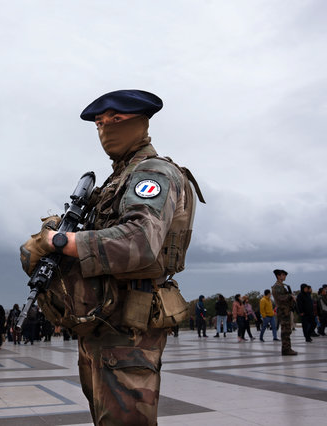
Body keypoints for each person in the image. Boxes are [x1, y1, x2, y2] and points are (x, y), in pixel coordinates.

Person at [19, 89, 204, 425]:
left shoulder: (153, 174)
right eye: (100, 124)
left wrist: (60, 241)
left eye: (116, 120)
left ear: (141, 122)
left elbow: (140, 241)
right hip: (103, 323)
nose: (105, 129)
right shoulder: (118, 178)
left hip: (128, 331)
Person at [271, 269, 297, 355]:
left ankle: (287, 348)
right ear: (278, 276)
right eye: (283, 275)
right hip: (283, 310)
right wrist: (290, 296)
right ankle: (286, 349)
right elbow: (281, 298)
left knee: (287, 330)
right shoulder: (277, 286)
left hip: (285, 310)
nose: (285, 276)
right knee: (285, 331)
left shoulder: (281, 286)